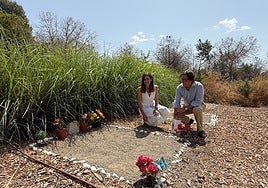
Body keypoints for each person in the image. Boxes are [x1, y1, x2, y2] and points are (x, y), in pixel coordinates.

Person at [173, 71, 207, 138]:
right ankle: (188, 122)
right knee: (177, 112)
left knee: (197, 109)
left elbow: (198, 101)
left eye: (185, 80)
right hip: (187, 106)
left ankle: (200, 130)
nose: (182, 81)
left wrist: (186, 108)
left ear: (191, 80)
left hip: (199, 105)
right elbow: (177, 101)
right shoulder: (179, 88)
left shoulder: (199, 86)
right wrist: (175, 115)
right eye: (182, 79)